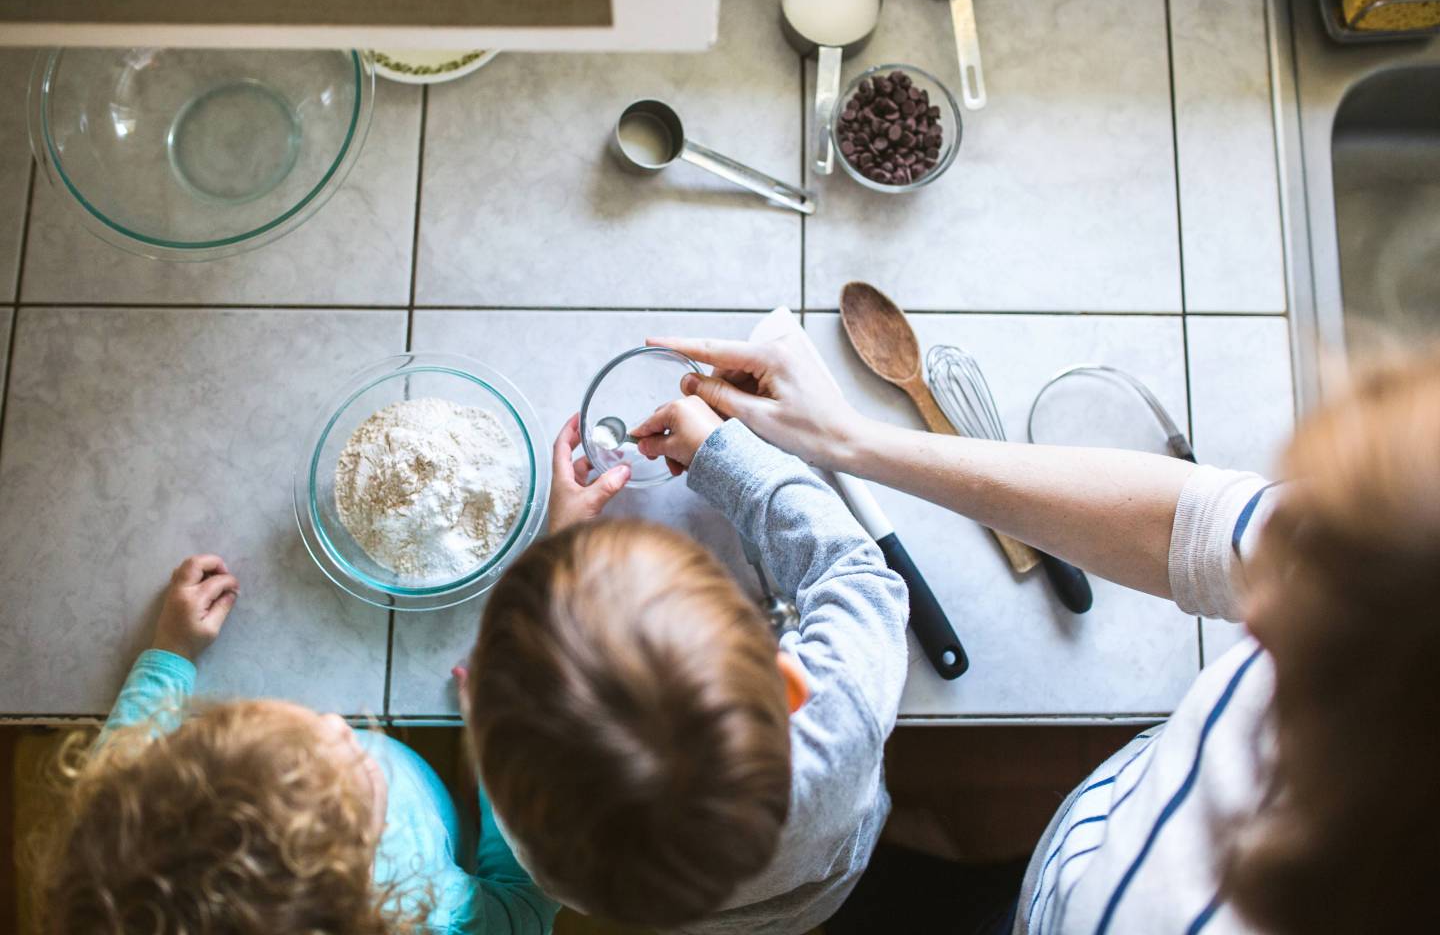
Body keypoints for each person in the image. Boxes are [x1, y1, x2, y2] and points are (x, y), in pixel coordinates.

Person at [641, 333, 1440, 935]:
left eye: (1312, 626)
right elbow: (1201, 523)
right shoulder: (1400, 579)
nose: (1257, 611)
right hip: (1063, 863)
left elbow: (855, 587)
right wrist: (848, 439)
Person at [463, 410, 909, 934]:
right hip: (824, 886)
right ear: (789, 684)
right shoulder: (839, 721)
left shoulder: (542, 843)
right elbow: (851, 571)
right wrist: (726, 457)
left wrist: (556, 554)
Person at [37, 554, 559, 935]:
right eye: (352, 765)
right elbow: (525, 893)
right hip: (454, 825)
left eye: (301, 735)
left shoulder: (126, 829)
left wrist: (172, 651)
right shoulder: (432, 914)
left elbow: (130, 741)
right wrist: (496, 744)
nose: (335, 722)